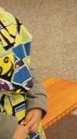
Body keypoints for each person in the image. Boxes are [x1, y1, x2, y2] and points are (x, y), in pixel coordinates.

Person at [0, 8, 47, 139]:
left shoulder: (8, 21)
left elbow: (25, 65)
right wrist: (7, 129)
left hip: (23, 121)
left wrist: (36, 102)